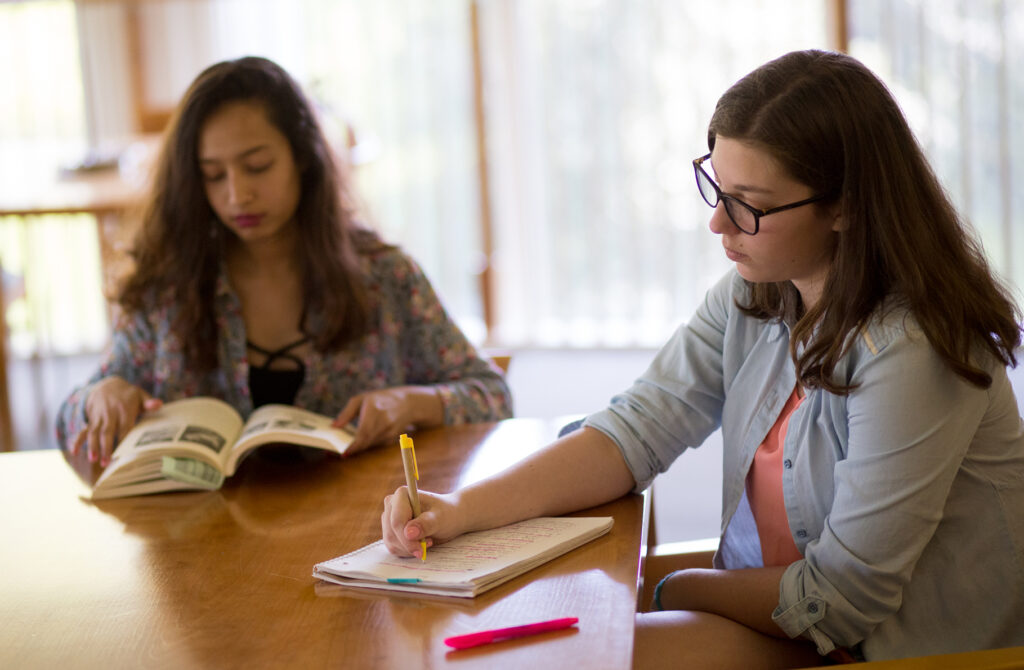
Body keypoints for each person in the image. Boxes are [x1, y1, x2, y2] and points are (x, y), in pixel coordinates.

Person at [380, 50, 1024, 667]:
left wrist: (677, 588)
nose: (718, 222)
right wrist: (458, 510)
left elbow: (840, 602)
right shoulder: (758, 294)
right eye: (716, 186)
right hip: (785, 619)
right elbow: (634, 431)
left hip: (898, 651)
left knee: (588, 654)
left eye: (750, 205)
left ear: (846, 207)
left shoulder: (916, 348)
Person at [57, 56, 512, 467]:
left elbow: (492, 396)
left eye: (257, 166)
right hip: (198, 545)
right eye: (213, 175)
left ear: (304, 160)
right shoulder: (170, 286)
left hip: (359, 538)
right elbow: (69, 424)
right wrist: (100, 397)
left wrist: (412, 404)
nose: (238, 194)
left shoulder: (384, 276)